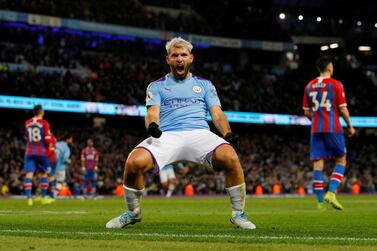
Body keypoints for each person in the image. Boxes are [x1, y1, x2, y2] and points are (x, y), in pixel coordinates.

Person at [106, 37, 255, 229]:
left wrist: (228, 134)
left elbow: (217, 113)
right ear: (168, 59)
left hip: (200, 133)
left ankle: (238, 214)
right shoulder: (156, 86)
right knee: (134, 162)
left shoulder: (205, 85)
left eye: (183, 55)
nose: (179, 59)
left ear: (191, 58)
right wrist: (152, 126)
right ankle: (133, 212)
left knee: (231, 157)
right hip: (167, 135)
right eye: (175, 55)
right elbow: (152, 112)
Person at [302, 55, 356, 210]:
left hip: (316, 129)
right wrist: (350, 126)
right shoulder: (336, 84)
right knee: (341, 159)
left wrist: (317, 120)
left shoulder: (309, 86)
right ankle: (331, 193)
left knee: (318, 163)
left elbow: (306, 112)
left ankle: (320, 203)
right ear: (330, 67)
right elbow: (343, 108)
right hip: (333, 127)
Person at [23, 105, 52, 206]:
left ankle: (29, 199)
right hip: (41, 152)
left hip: (29, 152)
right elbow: (48, 139)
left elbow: (26, 137)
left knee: (29, 174)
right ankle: (43, 198)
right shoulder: (44, 123)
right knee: (44, 174)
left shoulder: (27, 123)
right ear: (42, 112)